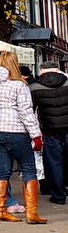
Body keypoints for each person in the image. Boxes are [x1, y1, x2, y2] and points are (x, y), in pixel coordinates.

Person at [0, 50, 45, 224]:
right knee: (28, 168)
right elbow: (26, 112)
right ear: (15, 64)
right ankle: (31, 212)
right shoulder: (20, 85)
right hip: (15, 131)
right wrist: (36, 135)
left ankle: (0, 210)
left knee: (2, 169)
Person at [28, 59, 67, 206]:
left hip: (49, 129)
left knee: (53, 163)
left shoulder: (35, 87)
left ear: (41, 71)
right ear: (58, 69)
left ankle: (58, 195)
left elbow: (30, 111)